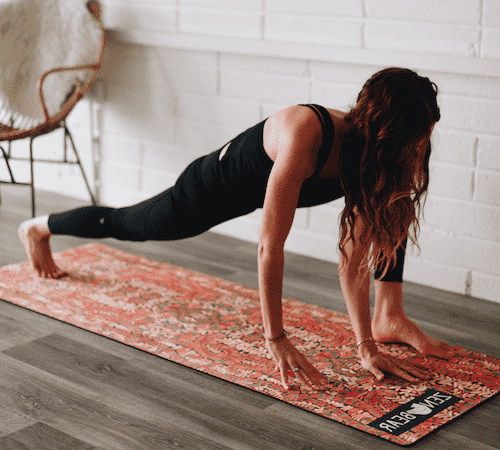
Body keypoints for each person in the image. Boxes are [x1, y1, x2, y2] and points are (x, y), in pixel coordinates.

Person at [18, 67, 454, 391]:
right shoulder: (308, 132)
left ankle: (388, 317)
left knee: (393, 203)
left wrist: (366, 345)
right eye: (415, 142)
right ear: (385, 133)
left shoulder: (374, 159)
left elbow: (354, 260)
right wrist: (276, 337)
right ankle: (39, 227)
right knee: (132, 224)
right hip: (210, 186)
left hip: (263, 188)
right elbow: (270, 247)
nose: (420, 151)